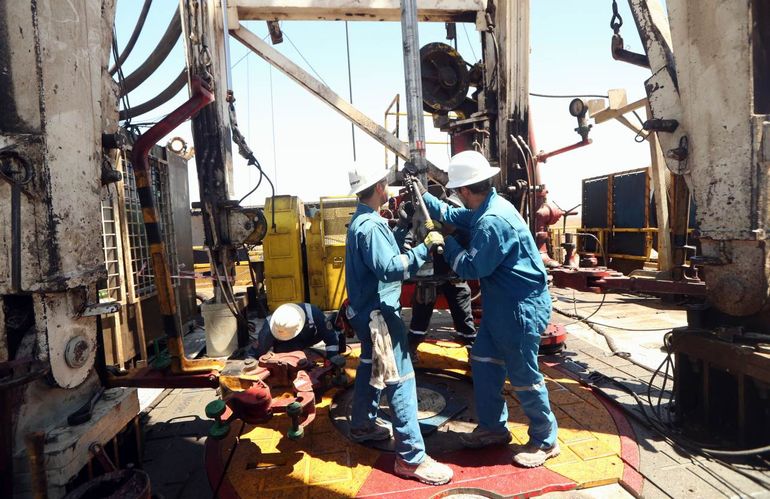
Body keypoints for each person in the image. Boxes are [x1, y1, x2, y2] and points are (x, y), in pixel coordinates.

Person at [417, 150, 559, 468]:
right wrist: (424, 197)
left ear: (465, 190)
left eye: (458, 191)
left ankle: (545, 439)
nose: (458, 196)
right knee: (483, 362)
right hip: (501, 307)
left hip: (519, 309)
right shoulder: (489, 206)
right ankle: (493, 428)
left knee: (523, 376)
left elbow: (470, 267)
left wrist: (446, 242)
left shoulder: (492, 221)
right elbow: (454, 215)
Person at [345, 164, 453, 486]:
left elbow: (380, 254)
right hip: (381, 316)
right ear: (379, 186)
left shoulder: (363, 221)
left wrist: (403, 228)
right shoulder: (370, 227)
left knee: (369, 366)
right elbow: (391, 268)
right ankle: (411, 458)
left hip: (365, 312)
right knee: (401, 377)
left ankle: (362, 424)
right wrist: (425, 246)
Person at [394, 201, 476, 352]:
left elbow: (468, 238)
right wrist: (405, 223)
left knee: (464, 319)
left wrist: (447, 231)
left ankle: (473, 349)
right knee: (419, 321)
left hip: (453, 275)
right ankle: (411, 349)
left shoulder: (458, 216)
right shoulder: (419, 217)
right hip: (428, 278)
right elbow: (405, 246)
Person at [247, 302, 339, 358]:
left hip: (309, 337)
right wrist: (251, 360)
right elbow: (257, 351)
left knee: (331, 331)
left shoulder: (314, 314)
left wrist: (332, 357)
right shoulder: (269, 329)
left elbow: (331, 338)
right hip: (285, 347)